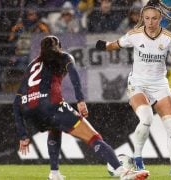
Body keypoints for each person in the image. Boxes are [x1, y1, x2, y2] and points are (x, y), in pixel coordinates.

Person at [13, 35, 150, 180]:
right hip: (51, 106)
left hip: (30, 111)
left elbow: (16, 101)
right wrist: (80, 100)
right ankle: (122, 171)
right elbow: (74, 76)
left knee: (54, 128)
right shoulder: (64, 57)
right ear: (59, 46)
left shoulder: (31, 66)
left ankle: (54, 173)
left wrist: (22, 134)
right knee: (94, 138)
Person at [95, 0, 171, 177]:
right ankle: (138, 159)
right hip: (138, 83)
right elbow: (115, 44)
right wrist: (103, 45)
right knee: (146, 118)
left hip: (160, 84)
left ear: (160, 18)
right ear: (143, 18)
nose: (150, 22)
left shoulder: (169, 38)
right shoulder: (135, 34)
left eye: (154, 18)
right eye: (147, 18)